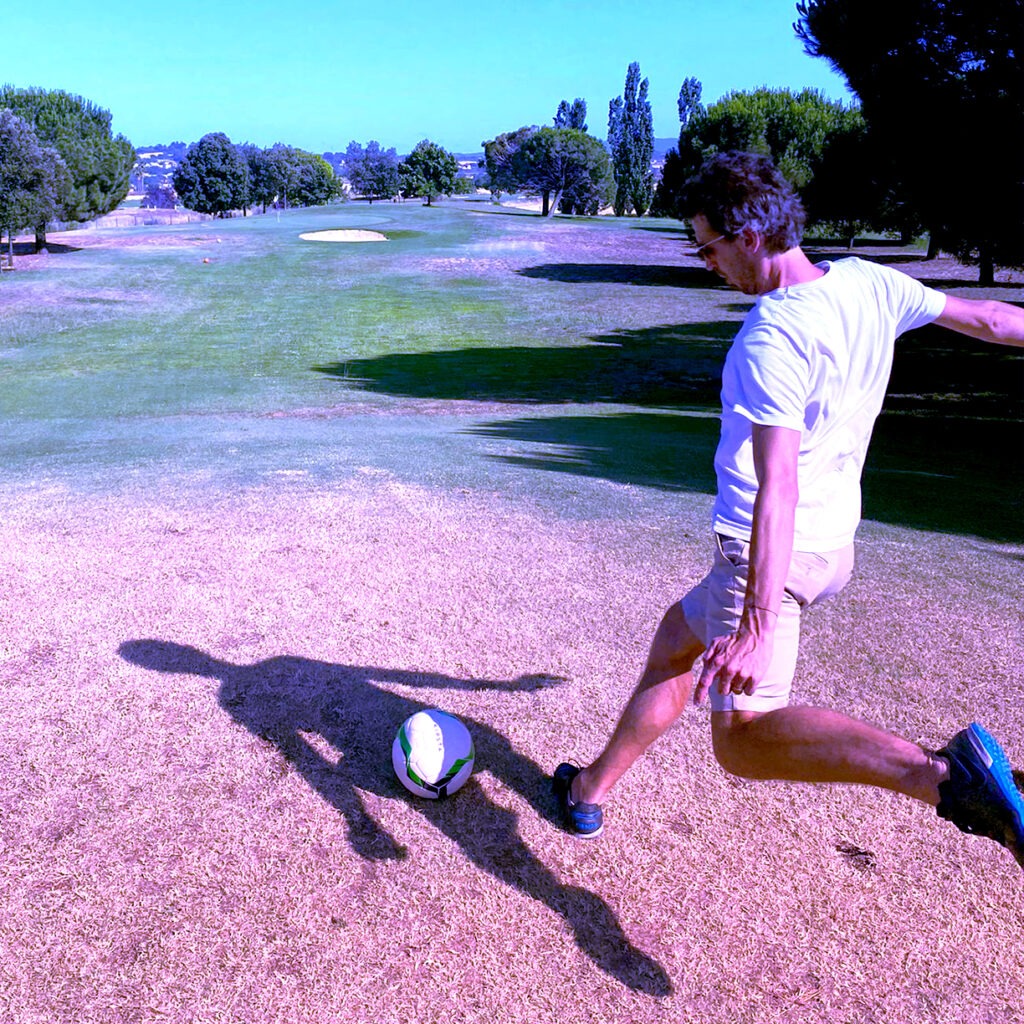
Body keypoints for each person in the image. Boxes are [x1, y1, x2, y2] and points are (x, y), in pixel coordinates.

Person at [554, 151, 1024, 870]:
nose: (707, 264)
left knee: (742, 742)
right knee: (677, 641)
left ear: (747, 235)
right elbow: (992, 319)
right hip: (834, 547)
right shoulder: (869, 282)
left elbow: (778, 486)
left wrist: (756, 624)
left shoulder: (769, 338)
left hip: (765, 561)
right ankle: (589, 788)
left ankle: (948, 781)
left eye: (707, 247)